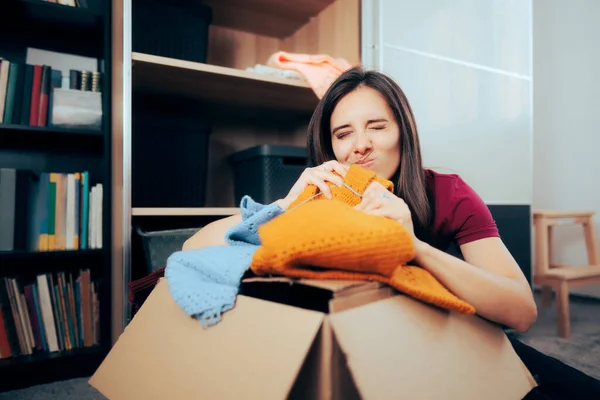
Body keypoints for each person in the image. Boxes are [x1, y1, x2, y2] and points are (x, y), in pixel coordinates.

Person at [183, 66, 600, 398]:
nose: (360, 145)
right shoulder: (322, 199)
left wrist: (414, 246)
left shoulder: (448, 192)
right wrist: (283, 206)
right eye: (343, 134)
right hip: (373, 353)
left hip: (460, 337)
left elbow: (521, 311)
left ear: (403, 132)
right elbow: (194, 246)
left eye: (376, 126)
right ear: (331, 150)